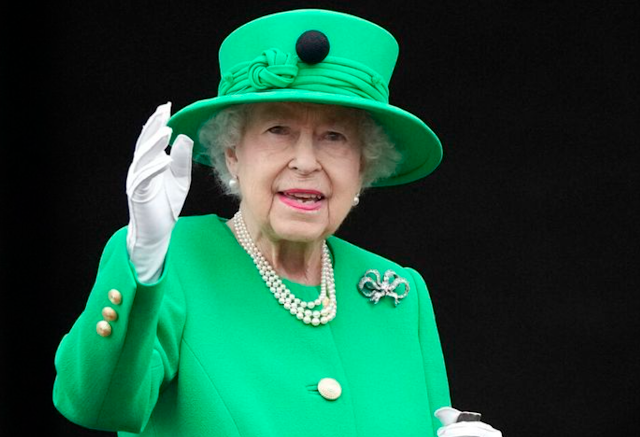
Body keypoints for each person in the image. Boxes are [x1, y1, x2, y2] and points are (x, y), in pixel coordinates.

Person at [53, 9, 503, 437]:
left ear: (364, 167)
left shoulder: (400, 293)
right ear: (232, 154)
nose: (306, 161)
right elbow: (97, 403)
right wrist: (145, 266)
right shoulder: (172, 262)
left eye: (335, 136)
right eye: (278, 131)